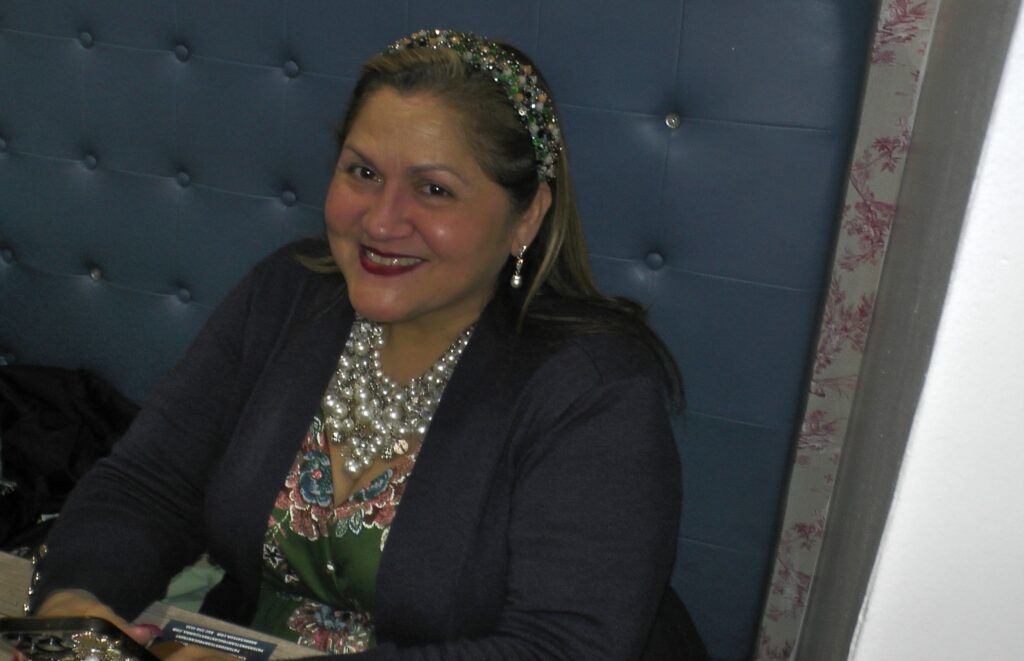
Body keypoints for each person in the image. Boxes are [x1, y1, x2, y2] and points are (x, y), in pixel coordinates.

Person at [28, 29, 704, 660]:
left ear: (526, 216)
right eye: (363, 173)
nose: (381, 221)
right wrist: (75, 603)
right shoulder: (287, 296)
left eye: (434, 189)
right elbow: (148, 487)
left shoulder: (594, 387)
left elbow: (561, 647)